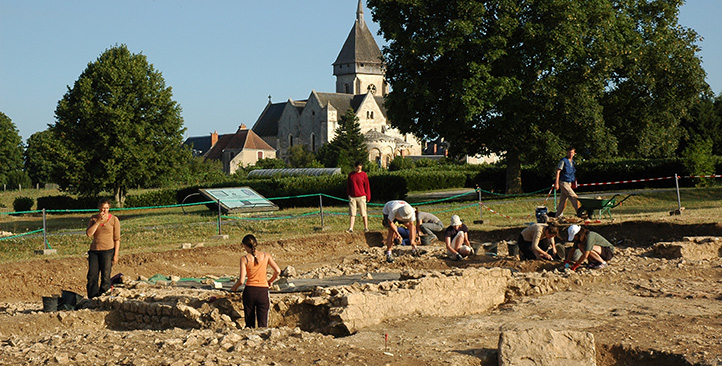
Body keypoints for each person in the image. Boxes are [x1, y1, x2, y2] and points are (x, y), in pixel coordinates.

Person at [230, 234, 281, 328]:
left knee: (249, 325)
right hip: (263, 292)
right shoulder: (266, 256)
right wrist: (270, 281)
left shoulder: (244, 259)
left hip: (249, 292)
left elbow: (241, 280)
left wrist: (234, 288)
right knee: (263, 325)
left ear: (245, 245)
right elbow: (277, 271)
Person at [85, 198, 120, 298]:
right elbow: (89, 234)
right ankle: (92, 297)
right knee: (92, 276)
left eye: (107, 208)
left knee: (105, 276)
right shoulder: (93, 219)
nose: (104, 210)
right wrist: (98, 222)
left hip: (108, 251)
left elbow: (117, 239)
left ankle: (104, 296)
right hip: (94, 251)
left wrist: (116, 255)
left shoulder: (114, 220)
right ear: (99, 208)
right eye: (103, 208)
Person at [554, 147, 582, 218]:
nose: (570, 154)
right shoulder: (563, 161)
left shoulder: (572, 162)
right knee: (574, 197)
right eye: (569, 152)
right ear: (567, 152)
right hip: (563, 183)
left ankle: (556, 217)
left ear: (574, 153)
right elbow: (558, 171)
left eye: (572, 152)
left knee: (563, 202)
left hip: (569, 183)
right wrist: (556, 183)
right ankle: (580, 213)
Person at [346, 161, 370, 233]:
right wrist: (348, 194)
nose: (358, 170)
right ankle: (351, 228)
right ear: (355, 167)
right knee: (352, 213)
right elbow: (348, 185)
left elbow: (367, 186)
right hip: (352, 196)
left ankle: (366, 227)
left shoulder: (364, 175)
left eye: (360, 168)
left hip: (362, 196)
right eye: (357, 168)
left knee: (363, 213)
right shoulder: (351, 175)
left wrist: (368, 196)